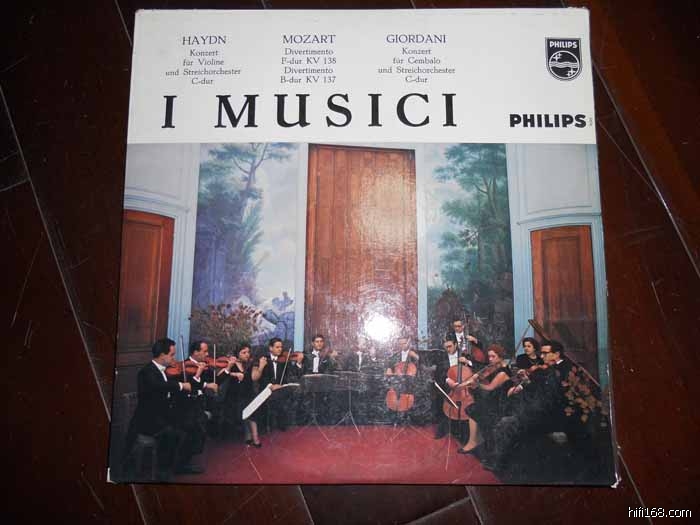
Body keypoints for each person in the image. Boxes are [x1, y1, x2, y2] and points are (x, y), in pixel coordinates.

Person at [481, 340, 571, 472]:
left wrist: (526, 399)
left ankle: (498, 462)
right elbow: (539, 389)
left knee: (505, 424)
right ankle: (497, 458)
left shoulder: (561, 370)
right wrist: (527, 381)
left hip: (547, 414)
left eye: (545, 353)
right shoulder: (549, 368)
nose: (542, 356)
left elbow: (549, 396)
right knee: (503, 416)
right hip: (536, 407)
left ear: (557, 354)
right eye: (541, 353)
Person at [123, 338, 192, 481]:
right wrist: (181, 385)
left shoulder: (163, 371)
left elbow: (167, 392)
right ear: (162, 355)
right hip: (147, 420)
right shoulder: (147, 371)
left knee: (188, 425)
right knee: (173, 433)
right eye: (172, 355)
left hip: (160, 416)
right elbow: (159, 386)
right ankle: (162, 471)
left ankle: (177, 465)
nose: (174, 358)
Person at [458, 344, 512, 454]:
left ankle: (473, 441)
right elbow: (479, 376)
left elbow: (490, 387)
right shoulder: (493, 367)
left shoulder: (503, 372)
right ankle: (476, 439)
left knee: (473, 409)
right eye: (489, 357)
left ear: (500, 357)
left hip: (500, 403)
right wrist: (465, 383)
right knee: (473, 406)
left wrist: (476, 384)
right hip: (492, 399)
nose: (490, 359)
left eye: (493, 356)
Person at [254, 338, 298, 431]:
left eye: (281, 347)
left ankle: (283, 425)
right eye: (277, 347)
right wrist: (270, 386)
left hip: (280, 389)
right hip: (266, 389)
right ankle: (268, 426)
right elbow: (262, 378)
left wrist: (283, 385)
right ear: (270, 348)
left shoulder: (284, 360)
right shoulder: (264, 359)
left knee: (286, 396)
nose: (280, 349)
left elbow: (288, 375)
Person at [222, 343, 261, 447]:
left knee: (251, 414)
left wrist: (259, 366)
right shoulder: (232, 363)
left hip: (248, 392)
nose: (247, 354)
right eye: (244, 352)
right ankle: (248, 436)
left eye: (248, 352)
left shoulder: (250, 364)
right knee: (243, 414)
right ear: (237, 353)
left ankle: (255, 438)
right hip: (235, 394)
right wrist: (234, 374)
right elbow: (221, 373)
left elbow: (254, 378)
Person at [433, 336, 472, 440]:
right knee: (440, 399)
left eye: (450, 346)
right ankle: (444, 429)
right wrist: (447, 380)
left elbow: (475, 368)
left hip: (464, 387)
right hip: (448, 387)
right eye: (446, 347)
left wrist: (468, 362)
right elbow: (438, 374)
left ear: (456, 344)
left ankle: (464, 433)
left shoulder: (465, 355)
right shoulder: (441, 357)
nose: (448, 349)